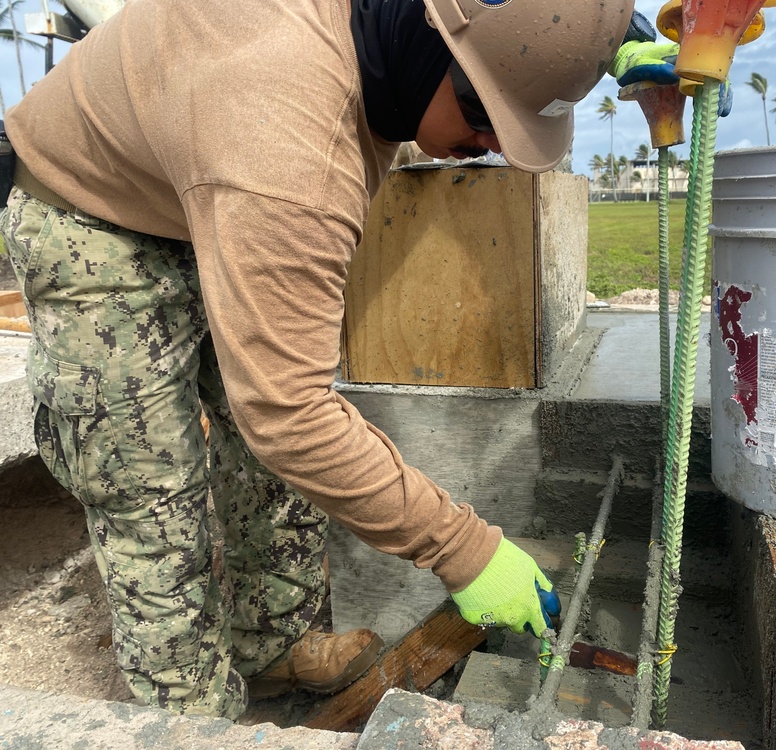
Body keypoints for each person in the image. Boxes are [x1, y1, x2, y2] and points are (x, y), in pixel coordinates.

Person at [0, 0, 635, 721]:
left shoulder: (389, 42)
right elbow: (289, 416)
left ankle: (272, 644)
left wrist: (596, 34)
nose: (490, 142)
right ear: (428, 43)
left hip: (200, 171)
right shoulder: (292, 146)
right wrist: (467, 551)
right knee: (150, 481)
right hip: (91, 211)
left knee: (268, 453)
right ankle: (189, 719)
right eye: (482, 108)